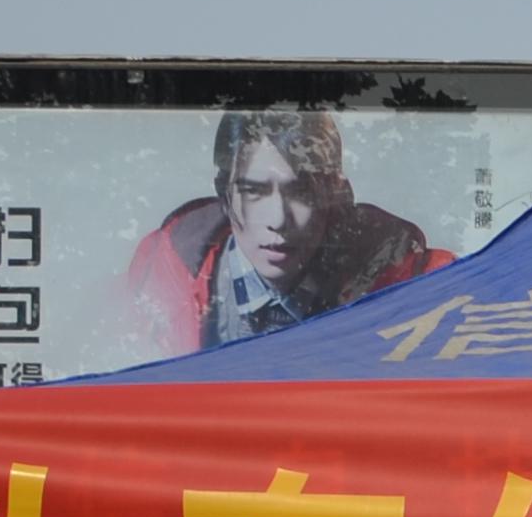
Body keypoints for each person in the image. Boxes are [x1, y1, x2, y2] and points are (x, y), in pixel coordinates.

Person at [118, 104, 447, 356]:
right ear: (225, 194)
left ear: (335, 196)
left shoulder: (424, 286)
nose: (277, 219)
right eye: (254, 191)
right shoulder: (159, 274)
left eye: (301, 193)